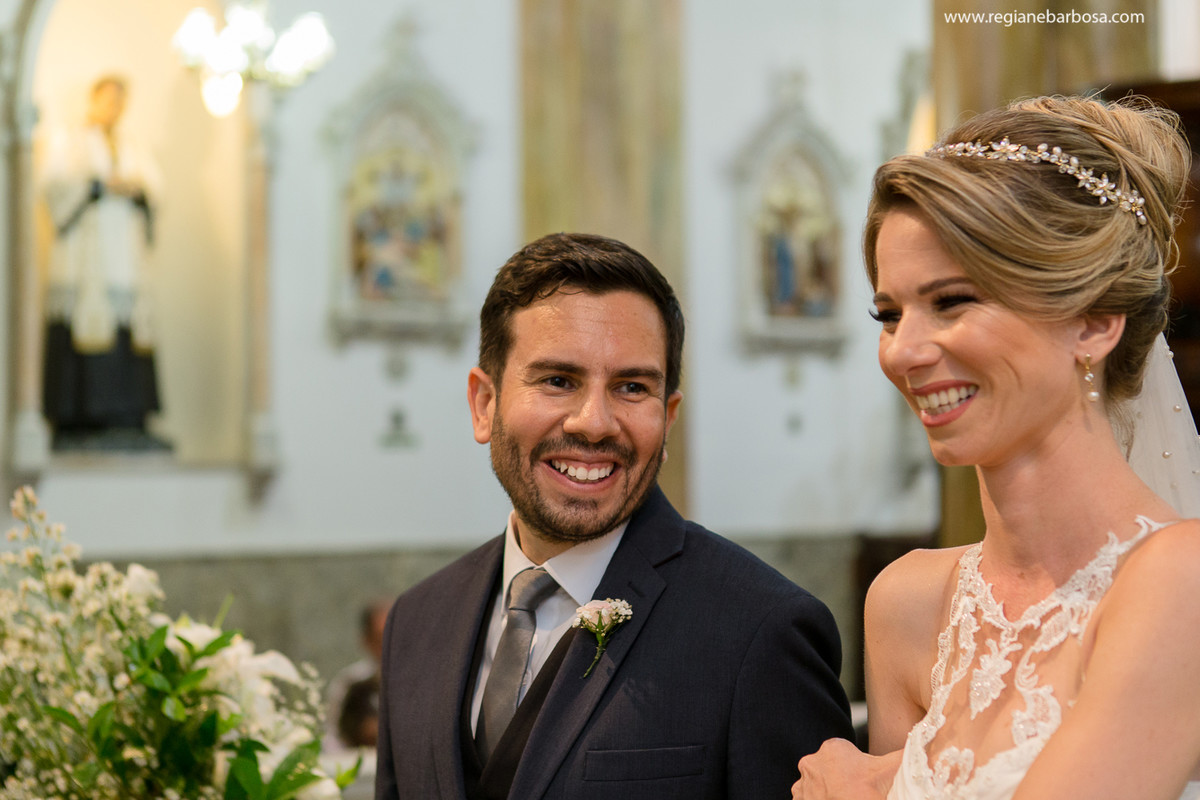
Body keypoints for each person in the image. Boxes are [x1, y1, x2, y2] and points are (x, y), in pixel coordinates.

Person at [792, 95, 1200, 800]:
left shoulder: (1179, 580)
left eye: (952, 301)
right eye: (888, 314)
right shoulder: (907, 604)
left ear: (1096, 323)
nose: (903, 351)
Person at [376, 232, 853, 799]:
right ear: (485, 404)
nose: (594, 422)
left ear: (667, 417)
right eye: (558, 380)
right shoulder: (417, 622)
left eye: (632, 387)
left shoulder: (761, 631)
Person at [40, 75, 166, 451]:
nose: (115, 108)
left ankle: (127, 418)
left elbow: (155, 190)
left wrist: (136, 190)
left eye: (121, 102)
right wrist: (96, 186)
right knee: (83, 330)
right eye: (109, 99)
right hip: (86, 261)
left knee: (129, 335)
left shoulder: (133, 146)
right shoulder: (69, 142)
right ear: (93, 99)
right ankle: (78, 420)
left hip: (124, 260)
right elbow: (51, 186)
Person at [325, 600, 389, 753]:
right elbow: (333, 739)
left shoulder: (427, 682)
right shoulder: (351, 683)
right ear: (366, 640)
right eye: (381, 638)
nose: (391, 646)